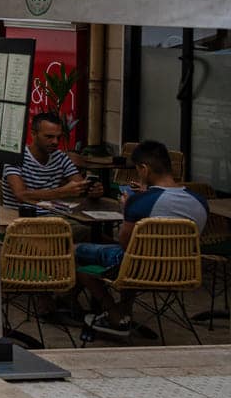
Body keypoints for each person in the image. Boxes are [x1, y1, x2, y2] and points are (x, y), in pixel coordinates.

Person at [76, 140, 208, 338]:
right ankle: (125, 310)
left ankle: (113, 312)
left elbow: (125, 244)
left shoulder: (140, 202)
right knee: (133, 257)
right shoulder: (199, 201)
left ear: (144, 169)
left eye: (138, 170)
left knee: (73, 251)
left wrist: (127, 206)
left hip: (138, 269)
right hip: (180, 270)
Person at [2, 112, 100, 213]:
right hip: (20, 220)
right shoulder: (15, 157)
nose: (55, 142)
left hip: (54, 219)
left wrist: (93, 190)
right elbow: (21, 195)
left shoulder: (60, 157)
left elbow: (81, 186)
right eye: (49, 137)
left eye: (58, 137)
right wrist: (62, 192)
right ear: (33, 134)